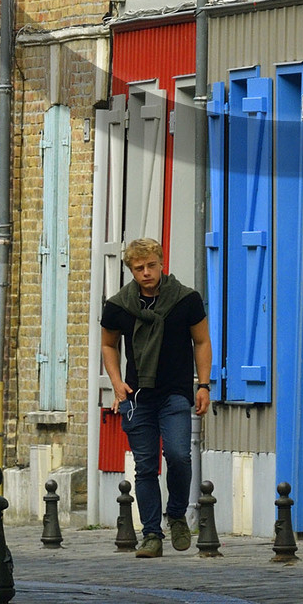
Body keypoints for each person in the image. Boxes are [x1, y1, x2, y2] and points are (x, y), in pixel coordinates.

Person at [100, 238, 212, 559]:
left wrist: (203, 384)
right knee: (146, 467)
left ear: (161, 263)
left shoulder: (186, 300)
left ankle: (176, 514)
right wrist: (117, 383)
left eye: (151, 265)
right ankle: (151, 534)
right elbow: (109, 345)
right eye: (139, 268)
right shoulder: (119, 306)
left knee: (178, 455)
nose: (146, 272)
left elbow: (201, 341)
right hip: (137, 396)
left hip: (176, 392)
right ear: (131, 271)